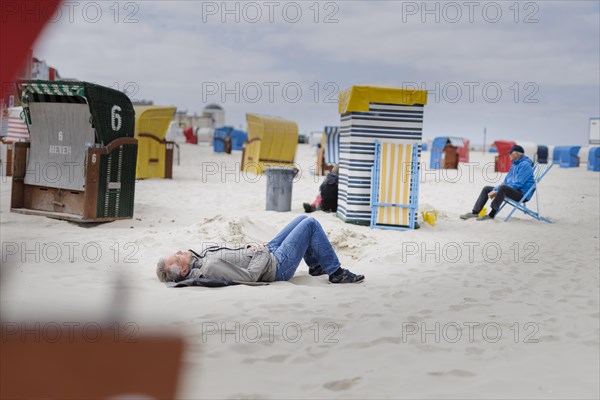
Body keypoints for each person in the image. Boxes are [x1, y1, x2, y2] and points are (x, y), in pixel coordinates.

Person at [156, 215, 365, 284]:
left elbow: (237, 259)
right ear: (183, 271)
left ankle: (316, 266)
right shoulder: (209, 267)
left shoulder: (202, 260)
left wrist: (250, 247)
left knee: (301, 219)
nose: (181, 251)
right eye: (177, 255)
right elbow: (250, 277)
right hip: (277, 266)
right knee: (310, 224)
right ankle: (336, 274)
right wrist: (262, 252)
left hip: (266, 252)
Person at [460, 144, 535, 221]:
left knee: (503, 188)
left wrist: (498, 191)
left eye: (511, 153)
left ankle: (491, 215)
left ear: (516, 153)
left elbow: (518, 184)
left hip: (522, 194)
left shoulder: (525, 165)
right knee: (487, 188)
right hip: (513, 190)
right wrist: (495, 190)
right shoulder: (514, 165)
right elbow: (506, 182)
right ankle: (475, 212)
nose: (509, 155)